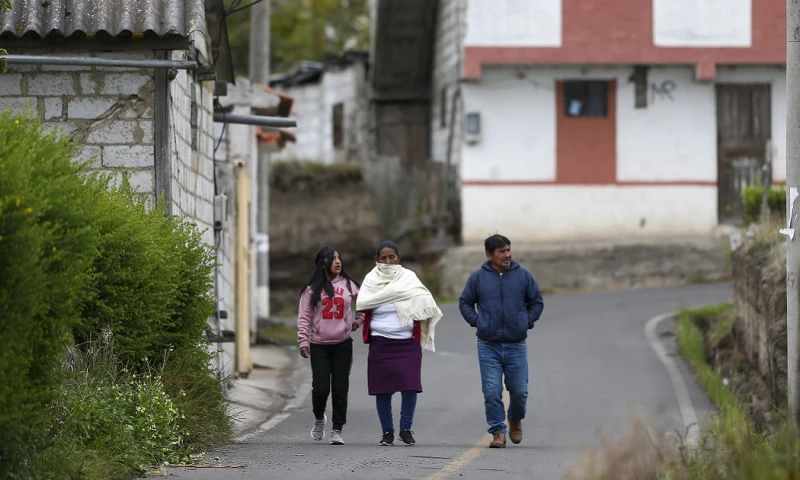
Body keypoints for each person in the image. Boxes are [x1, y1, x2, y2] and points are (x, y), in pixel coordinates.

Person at [458, 234, 544, 449]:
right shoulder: (478, 278)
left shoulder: (523, 276)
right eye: (501, 251)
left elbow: (536, 302)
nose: (507, 255)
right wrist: (478, 322)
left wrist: (526, 322)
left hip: (516, 345)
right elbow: (465, 302)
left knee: (520, 391)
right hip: (488, 345)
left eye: (508, 250)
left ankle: (515, 419)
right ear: (489, 255)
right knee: (491, 391)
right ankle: (498, 431)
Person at [356, 241, 442, 447]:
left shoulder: (409, 278)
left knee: (410, 386)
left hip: (407, 343)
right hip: (380, 342)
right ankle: (387, 432)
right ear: (377, 260)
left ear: (398, 258)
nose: (388, 261)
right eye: (383, 258)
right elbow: (362, 303)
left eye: (391, 257)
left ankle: (405, 429)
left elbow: (425, 299)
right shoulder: (371, 280)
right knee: (382, 389)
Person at [297, 246, 363, 446]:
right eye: (333, 258)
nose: (338, 262)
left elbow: (365, 304)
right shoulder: (311, 290)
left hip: (343, 344)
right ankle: (319, 418)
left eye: (339, 258)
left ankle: (337, 429)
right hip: (319, 346)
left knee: (340, 389)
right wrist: (303, 340)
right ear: (323, 263)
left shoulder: (349, 285)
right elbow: (304, 317)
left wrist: (358, 321)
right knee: (320, 389)